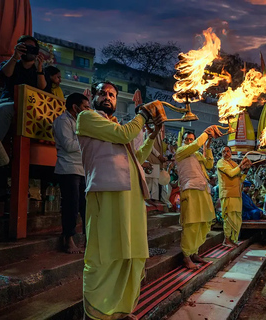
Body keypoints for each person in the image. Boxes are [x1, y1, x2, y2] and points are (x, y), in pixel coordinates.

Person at [76, 80, 165, 320]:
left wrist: (152, 136)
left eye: (112, 95)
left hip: (131, 196)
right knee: (104, 254)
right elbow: (124, 134)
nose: (108, 97)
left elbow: (136, 158)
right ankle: (95, 313)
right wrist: (144, 115)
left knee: (131, 254)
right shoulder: (87, 118)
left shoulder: (116, 125)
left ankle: (120, 310)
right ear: (93, 97)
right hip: (105, 193)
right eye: (103, 93)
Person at [175, 127, 223, 269]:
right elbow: (196, 144)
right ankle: (186, 256)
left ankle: (195, 252)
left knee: (204, 223)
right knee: (191, 224)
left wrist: (207, 146)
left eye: (191, 139)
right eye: (187, 140)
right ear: (183, 142)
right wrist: (206, 133)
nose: (189, 142)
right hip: (190, 190)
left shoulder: (197, 154)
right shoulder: (180, 152)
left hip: (203, 189)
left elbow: (209, 165)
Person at [0, 35, 46, 161]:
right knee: (3, 106)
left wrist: (39, 67)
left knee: (4, 109)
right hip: (6, 100)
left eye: (32, 48)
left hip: (27, 107)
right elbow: (6, 74)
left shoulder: (39, 70)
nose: (29, 50)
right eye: (26, 47)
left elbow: (42, 88)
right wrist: (15, 56)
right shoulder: (12, 64)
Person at [52, 93, 89, 254]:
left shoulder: (82, 122)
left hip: (83, 170)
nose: (88, 110)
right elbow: (68, 145)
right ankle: (68, 240)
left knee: (86, 207)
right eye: (85, 107)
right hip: (68, 169)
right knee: (71, 206)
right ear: (75, 108)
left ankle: (88, 239)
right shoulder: (62, 121)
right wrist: (86, 140)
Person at [216, 146, 251, 247]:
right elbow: (231, 174)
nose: (226, 153)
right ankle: (226, 239)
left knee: (237, 218)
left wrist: (246, 171)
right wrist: (241, 165)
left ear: (231, 153)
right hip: (227, 194)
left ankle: (232, 239)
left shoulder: (234, 164)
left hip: (237, 194)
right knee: (229, 217)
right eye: (223, 152)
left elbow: (240, 180)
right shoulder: (221, 163)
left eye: (228, 151)